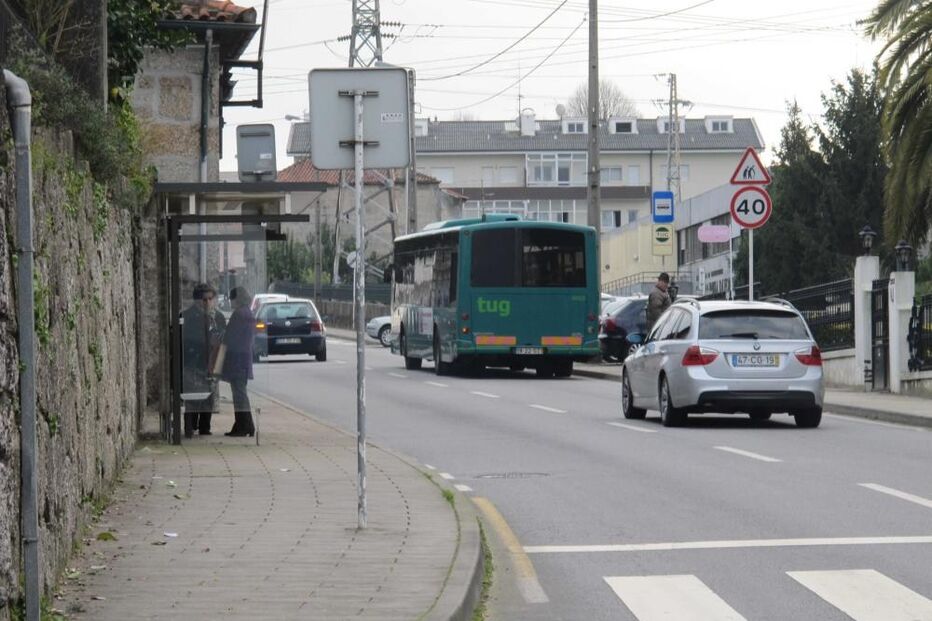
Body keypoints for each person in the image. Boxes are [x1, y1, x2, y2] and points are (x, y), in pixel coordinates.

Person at [181, 283, 226, 438]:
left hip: (211, 361)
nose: (207, 302)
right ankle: (190, 426)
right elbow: (185, 340)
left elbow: (223, 341)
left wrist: (219, 365)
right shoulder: (187, 316)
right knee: (192, 397)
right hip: (193, 361)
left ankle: (205, 426)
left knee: (209, 395)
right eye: (203, 299)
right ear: (196, 300)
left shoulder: (218, 317)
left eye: (210, 299)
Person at [223, 286, 257, 437]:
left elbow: (230, 337)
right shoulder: (247, 313)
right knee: (241, 394)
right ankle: (244, 425)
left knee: (239, 395)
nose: (230, 302)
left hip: (237, 359)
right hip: (243, 359)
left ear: (237, 299)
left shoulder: (239, 314)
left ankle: (244, 425)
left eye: (232, 299)